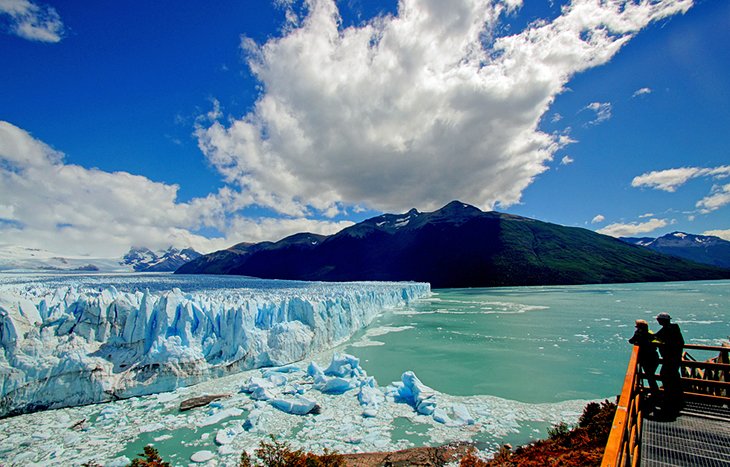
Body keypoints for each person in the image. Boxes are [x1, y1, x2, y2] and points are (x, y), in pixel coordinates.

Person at [652, 312, 685, 417]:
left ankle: (671, 400)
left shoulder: (668, 329)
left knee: (667, 377)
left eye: (659, 319)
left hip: (671, 359)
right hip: (674, 359)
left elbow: (656, 337)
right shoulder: (672, 328)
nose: (658, 321)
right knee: (674, 377)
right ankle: (677, 400)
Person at [629, 319, 659, 394]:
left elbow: (631, 341)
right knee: (650, 376)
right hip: (654, 356)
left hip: (646, 358)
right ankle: (655, 392)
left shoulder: (639, 333)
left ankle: (655, 393)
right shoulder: (650, 333)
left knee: (649, 376)